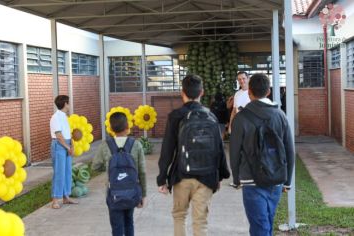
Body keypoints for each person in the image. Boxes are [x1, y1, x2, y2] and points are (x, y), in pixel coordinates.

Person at [157, 74, 230, 236]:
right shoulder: (211, 116)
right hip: (206, 177)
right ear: (202, 92)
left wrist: (162, 177)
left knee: (179, 216)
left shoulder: (175, 116)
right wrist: (220, 175)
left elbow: (167, 149)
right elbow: (219, 148)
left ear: (182, 92)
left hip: (181, 175)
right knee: (200, 221)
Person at [229, 73, 295, 236]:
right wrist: (287, 181)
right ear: (268, 92)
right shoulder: (280, 115)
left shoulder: (240, 118)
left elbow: (234, 152)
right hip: (276, 178)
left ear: (249, 92)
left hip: (251, 179)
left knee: (259, 226)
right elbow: (289, 149)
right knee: (267, 222)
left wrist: (237, 179)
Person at [92, 112, 146, 236]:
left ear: (110, 128)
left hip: (113, 194)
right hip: (131, 192)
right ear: (127, 126)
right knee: (129, 222)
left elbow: (95, 166)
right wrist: (143, 195)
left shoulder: (105, 145)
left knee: (116, 226)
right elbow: (142, 172)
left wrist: (107, 169)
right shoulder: (136, 145)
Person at [50, 95, 77, 209]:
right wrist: (67, 147)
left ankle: (65, 197)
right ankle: (55, 200)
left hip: (66, 144)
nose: (70, 105)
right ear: (65, 104)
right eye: (69, 103)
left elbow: (67, 133)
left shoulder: (65, 116)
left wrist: (72, 145)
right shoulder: (55, 117)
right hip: (59, 146)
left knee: (67, 171)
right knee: (59, 172)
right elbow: (58, 135)